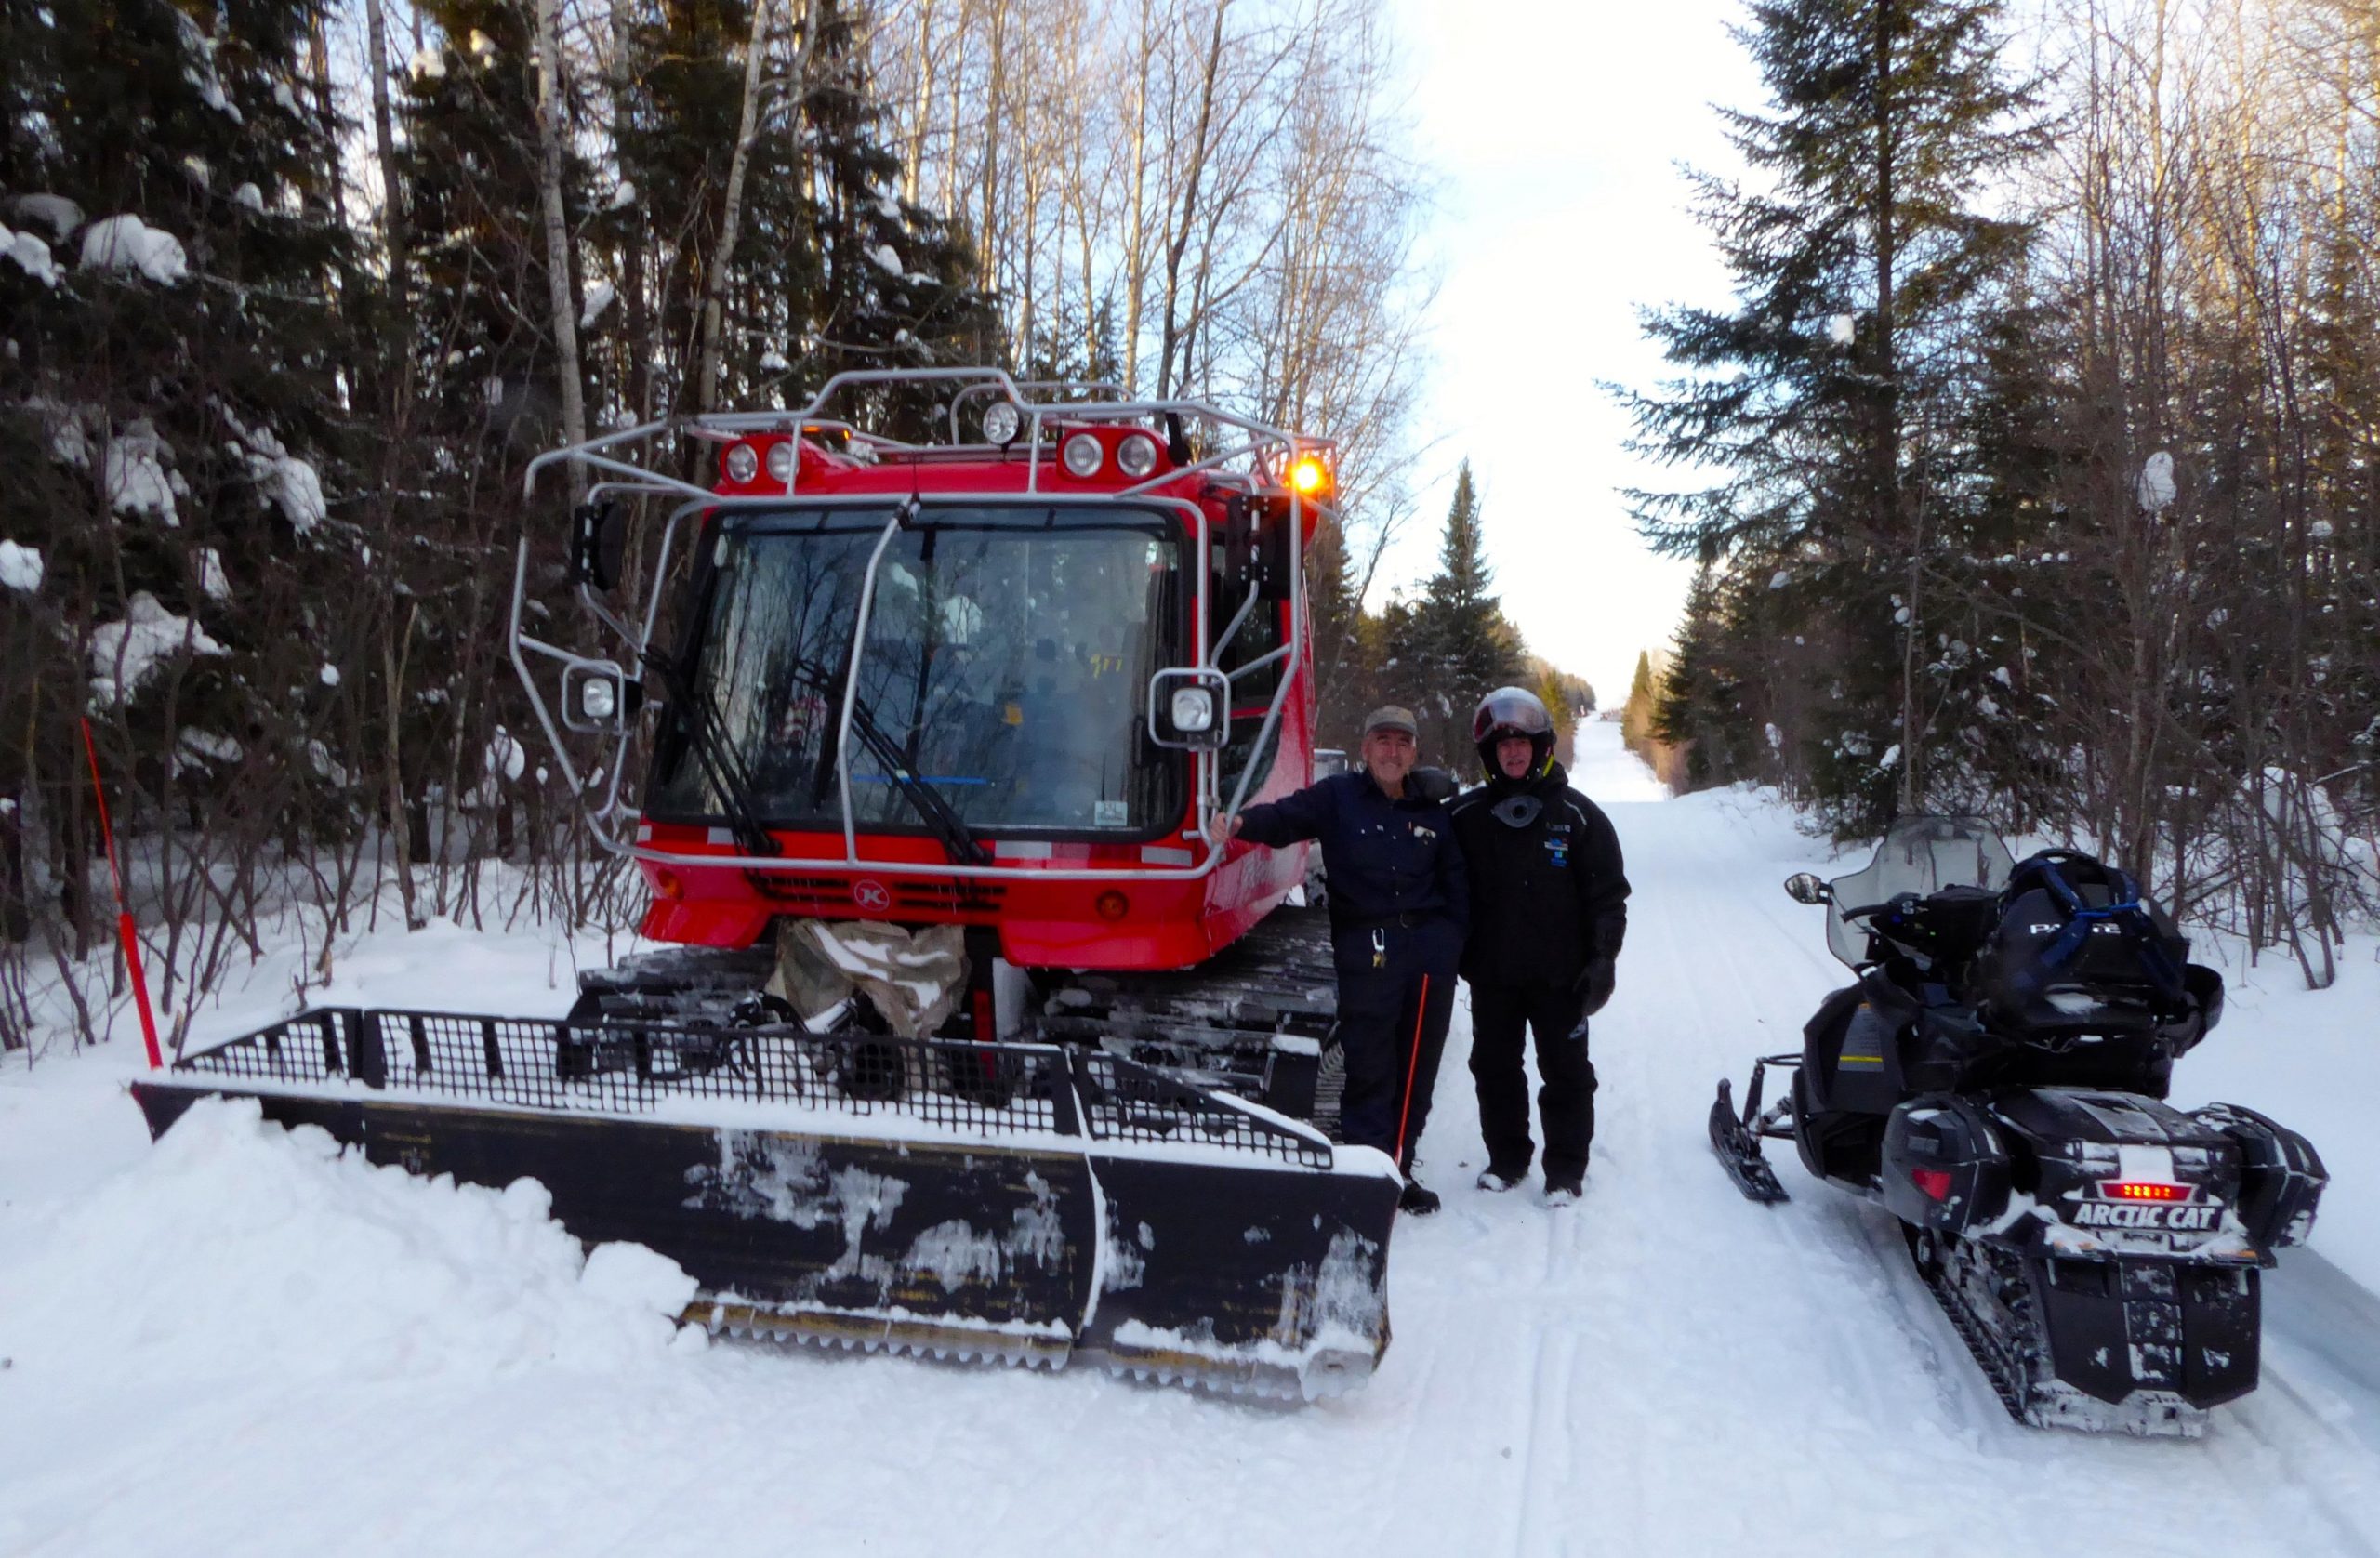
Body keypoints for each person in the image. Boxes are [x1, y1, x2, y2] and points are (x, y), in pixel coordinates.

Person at [1210, 706, 1467, 1214]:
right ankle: (1368, 1177)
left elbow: (1456, 882)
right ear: (1365, 748)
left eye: (1402, 743)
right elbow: (1286, 818)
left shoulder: (1433, 809)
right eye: (1382, 741)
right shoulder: (1338, 798)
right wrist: (1240, 823)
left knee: (1415, 1069)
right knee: (1370, 1066)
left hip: (1425, 957)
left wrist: (1450, 946)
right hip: (1367, 951)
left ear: (1414, 752)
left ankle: (1399, 1169)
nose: (1392, 752)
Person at [1446, 688, 1630, 1206]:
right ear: (1488, 753)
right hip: (1493, 977)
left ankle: (1566, 1169)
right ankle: (1507, 1159)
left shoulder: (1579, 817)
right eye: (1503, 745)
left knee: (1567, 1074)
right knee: (1495, 1070)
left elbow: (1609, 897)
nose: (1513, 752)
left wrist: (1603, 961)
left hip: (1562, 980)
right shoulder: (1464, 818)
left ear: (1543, 746)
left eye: (1523, 742)